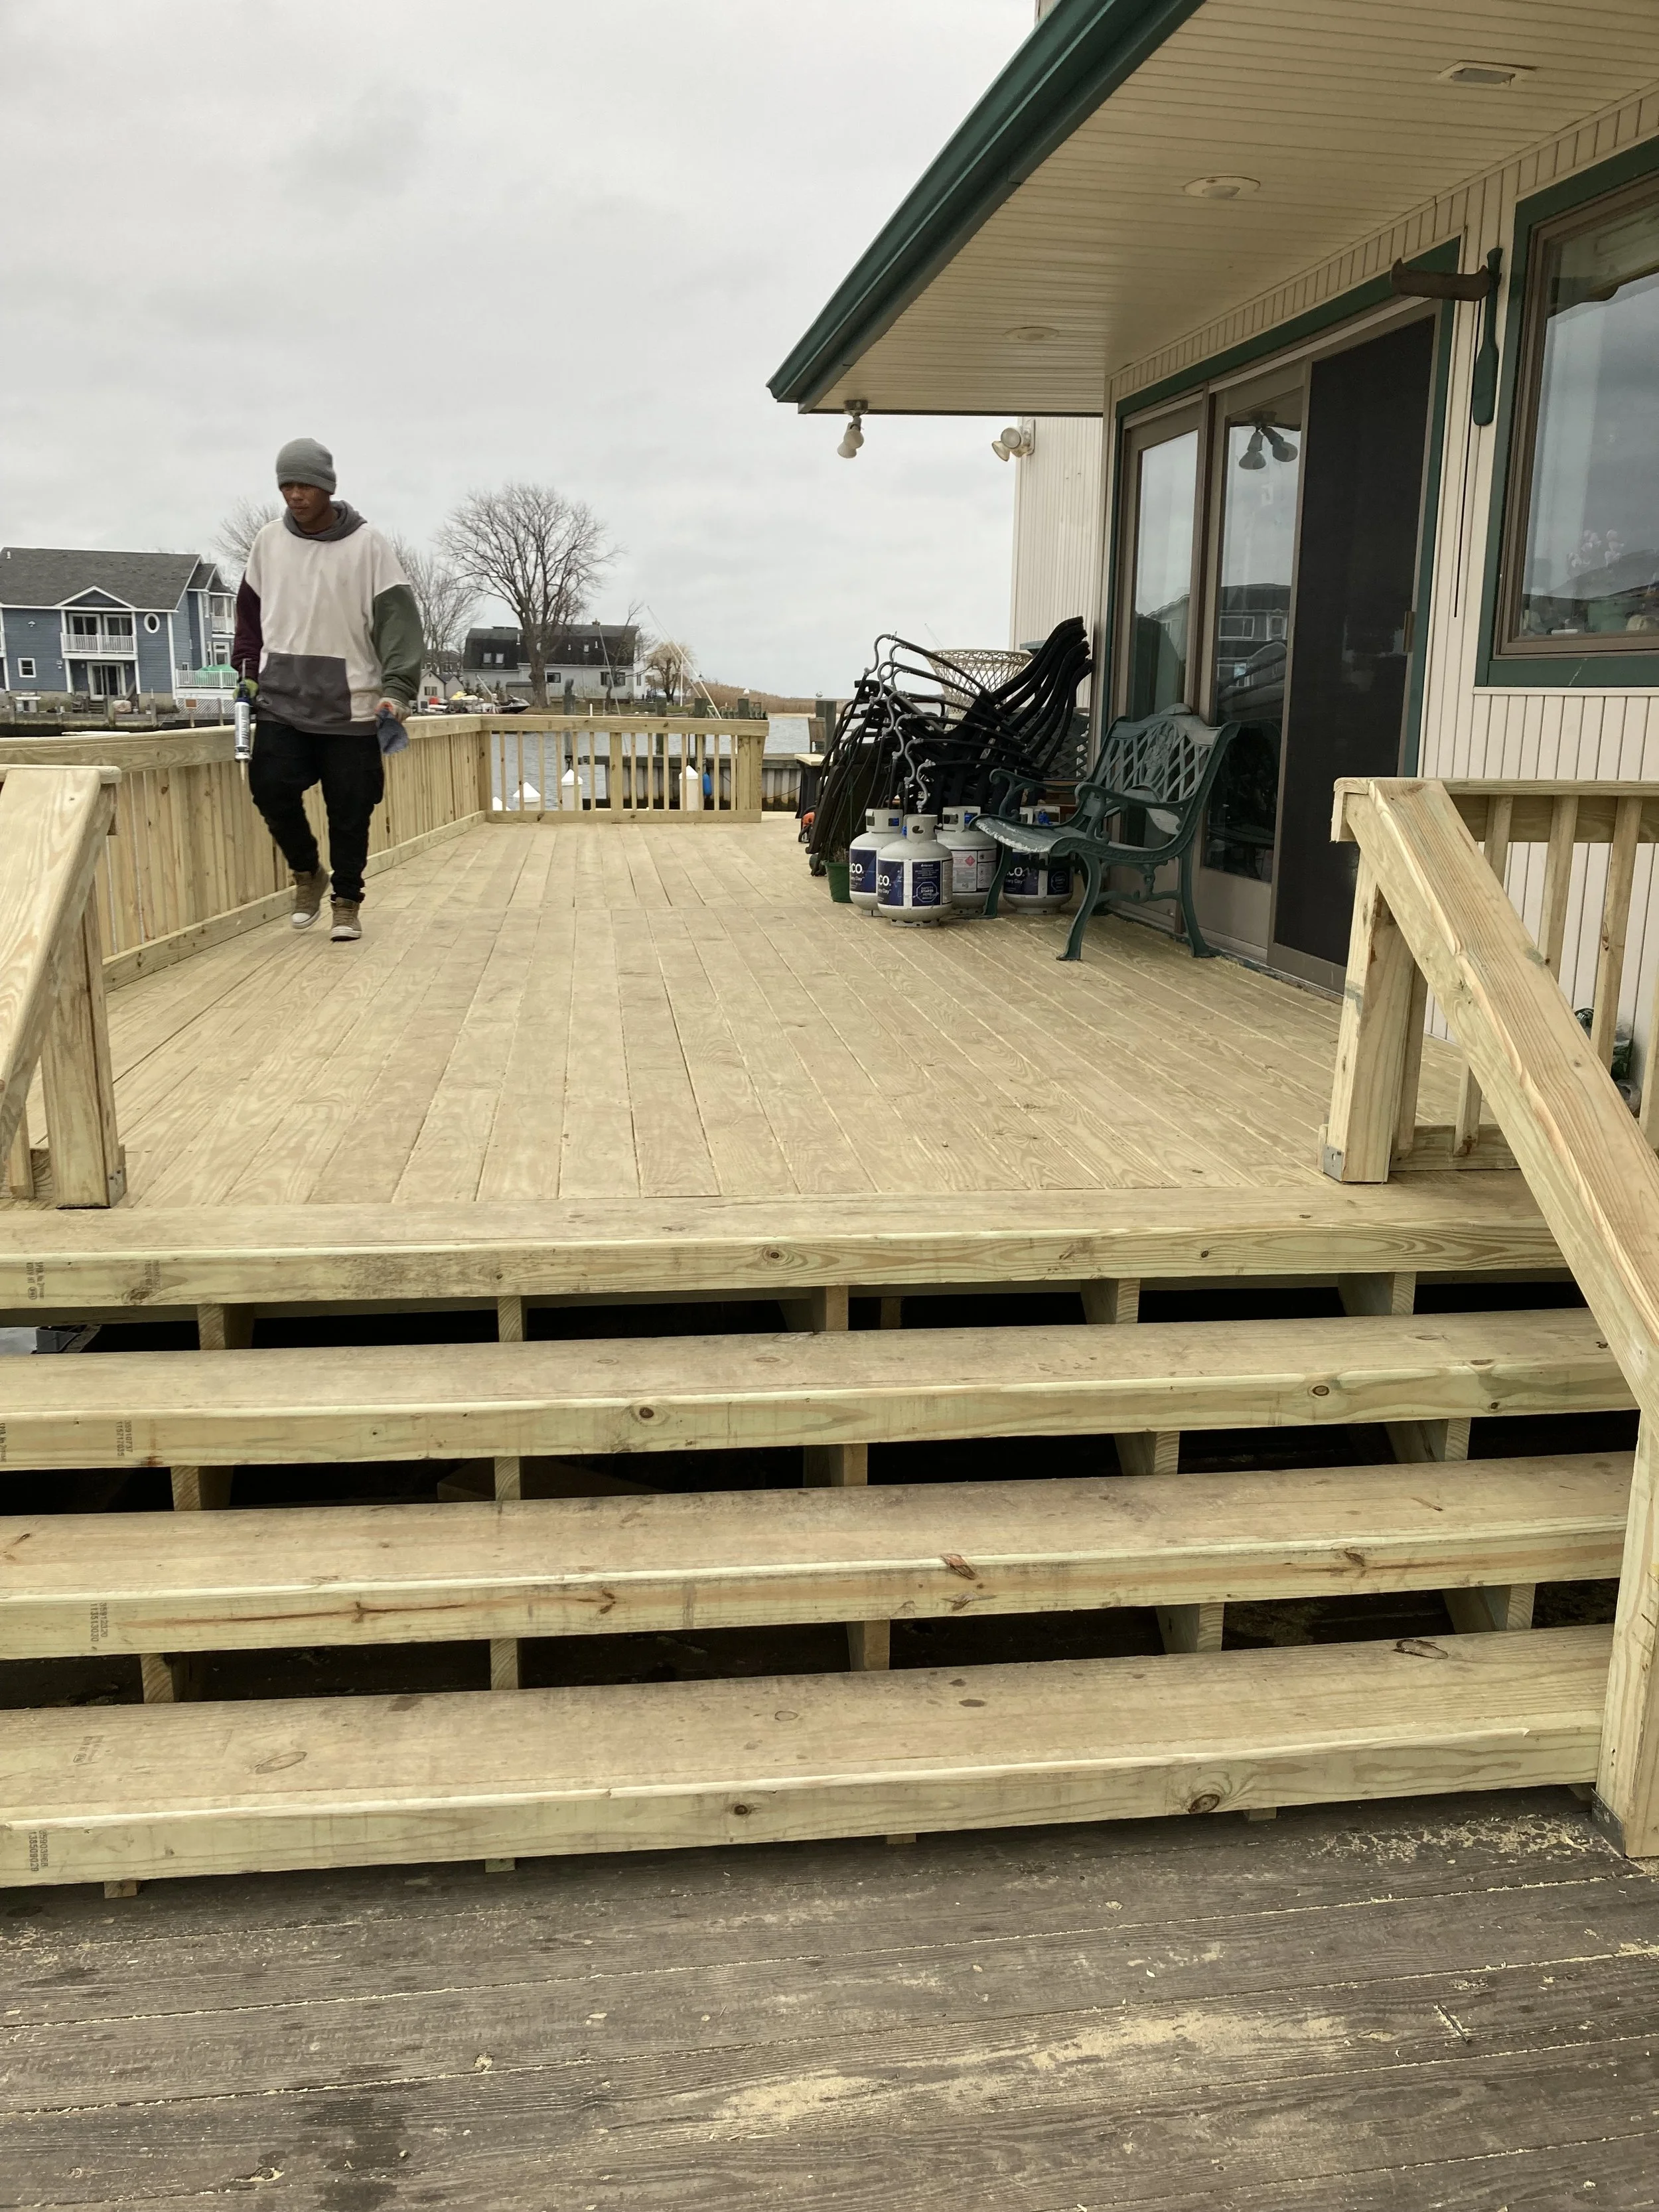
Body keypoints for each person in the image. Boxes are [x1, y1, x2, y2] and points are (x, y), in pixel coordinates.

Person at [232, 438, 422, 941]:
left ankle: (346, 900)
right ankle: (307, 874)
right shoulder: (268, 542)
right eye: (286, 485)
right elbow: (249, 616)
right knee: (269, 788)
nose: (294, 494)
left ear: (327, 488)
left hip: (351, 703)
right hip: (281, 697)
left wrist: (398, 690)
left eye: (304, 485)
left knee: (350, 808)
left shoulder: (368, 545)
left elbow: (399, 624)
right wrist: (248, 669)